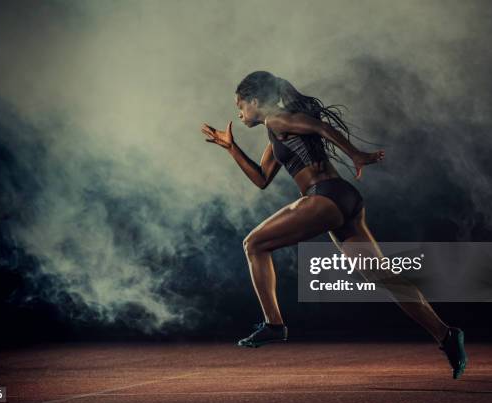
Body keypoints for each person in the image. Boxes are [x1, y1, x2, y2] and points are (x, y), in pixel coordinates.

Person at [200, 71, 467, 379]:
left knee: (253, 244)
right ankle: (447, 335)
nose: (239, 112)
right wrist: (231, 148)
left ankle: (274, 325)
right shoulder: (276, 133)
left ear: (255, 101)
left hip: (324, 197)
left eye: (240, 105)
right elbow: (261, 178)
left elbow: (320, 126)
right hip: (344, 200)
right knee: (383, 277)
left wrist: (357, 155)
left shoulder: (277, 120)